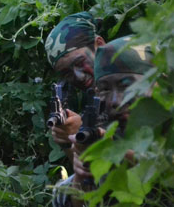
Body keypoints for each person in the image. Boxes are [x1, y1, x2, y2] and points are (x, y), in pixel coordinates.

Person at [52, 37, 153, 207]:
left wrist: (113, 151)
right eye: (105, 89)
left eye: (125, 85)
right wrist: (82, 169)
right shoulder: (114, 128)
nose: (114, 100)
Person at [44, 12, 107, 150]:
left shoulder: (134, 79)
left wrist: (93, 135)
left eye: (80, 63)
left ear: (100, 45)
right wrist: (68, 141)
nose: (78, 77)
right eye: (67, 73)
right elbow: (86, 169)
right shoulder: (90, 99)